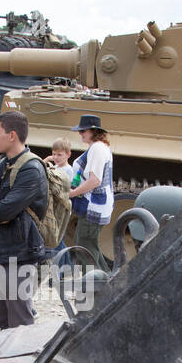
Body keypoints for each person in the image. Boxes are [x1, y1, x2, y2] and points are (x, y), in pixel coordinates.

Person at [0, 110, 47, 330]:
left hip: (20, 256)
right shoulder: (0, 165)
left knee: (20, 321)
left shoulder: (31, 169)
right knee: (2, 319)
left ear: (12, 135)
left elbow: (2, 211)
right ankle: (6, 362)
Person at [68, 115, 114, 271]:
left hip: (94, 206)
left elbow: (95, 180)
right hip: (95, 205)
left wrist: (72, 193)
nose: (80, 133)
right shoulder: (98, 147)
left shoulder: (97, 149)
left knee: (84, 247)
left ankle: (98, 285)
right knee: (88, 245)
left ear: (93, 131)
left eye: (83, 130)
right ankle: (106, 281)